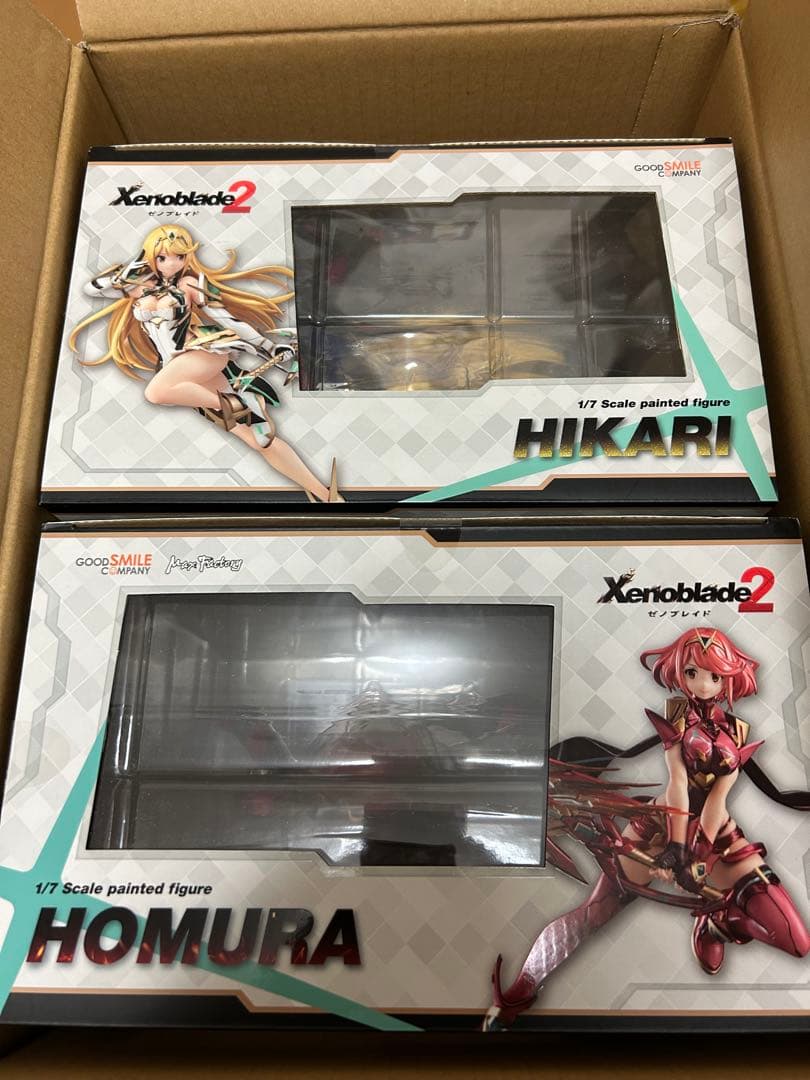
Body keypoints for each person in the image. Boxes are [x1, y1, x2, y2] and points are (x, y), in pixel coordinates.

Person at [484, 628, 810, 1030]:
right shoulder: (676, 717)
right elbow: (677, 785)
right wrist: (676, 848)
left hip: (717, 833)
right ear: (680, 673)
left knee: (796, 941)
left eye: (714, 675)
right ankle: (518, 994)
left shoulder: (737, 731)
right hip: (660, 825)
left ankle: (717, 925)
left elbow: (718, 799)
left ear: (728, 677)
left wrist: (696, 852)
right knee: (595, 913)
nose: (702, 684)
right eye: (692, 673)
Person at [69, 223, 340, 501]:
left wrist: (268, 347)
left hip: (202, 354)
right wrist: (133, 268)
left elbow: (227, 319)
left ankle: (240, 403)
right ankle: (327, 496)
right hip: (179, 371)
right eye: (162, 257)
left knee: (155, 392)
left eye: (179, 256)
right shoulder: (140, 288)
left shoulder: (190, 284)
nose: (172, 263)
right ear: (150, 257)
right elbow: (93, 289)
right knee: (259, 441)